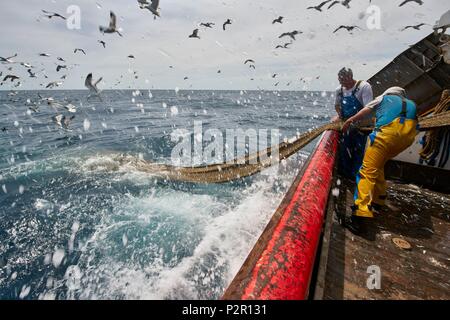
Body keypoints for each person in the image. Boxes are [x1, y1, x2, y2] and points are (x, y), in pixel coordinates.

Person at [342, 87, 419, 230]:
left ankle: (359, 216)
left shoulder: (383, 98)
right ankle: (379, 200)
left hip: (385, 137)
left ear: (388, 92)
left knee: (366, 172)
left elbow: (366, 110)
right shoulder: (412, 104)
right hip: (405, 141)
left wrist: (350, 120)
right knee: (379, 165)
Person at [335, 67, 373, 179]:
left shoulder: (364, 87)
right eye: (340, 81)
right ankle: (345, 176)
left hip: (361, 125)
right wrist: (339, 116)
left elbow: (368, 108)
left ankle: (355, 177)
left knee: (358, 152)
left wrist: (351, 120)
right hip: (346, 125)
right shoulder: (339, 90)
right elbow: (337, 105)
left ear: (350, 77)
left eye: (344, 81)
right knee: (344, 150)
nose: (342, 84)